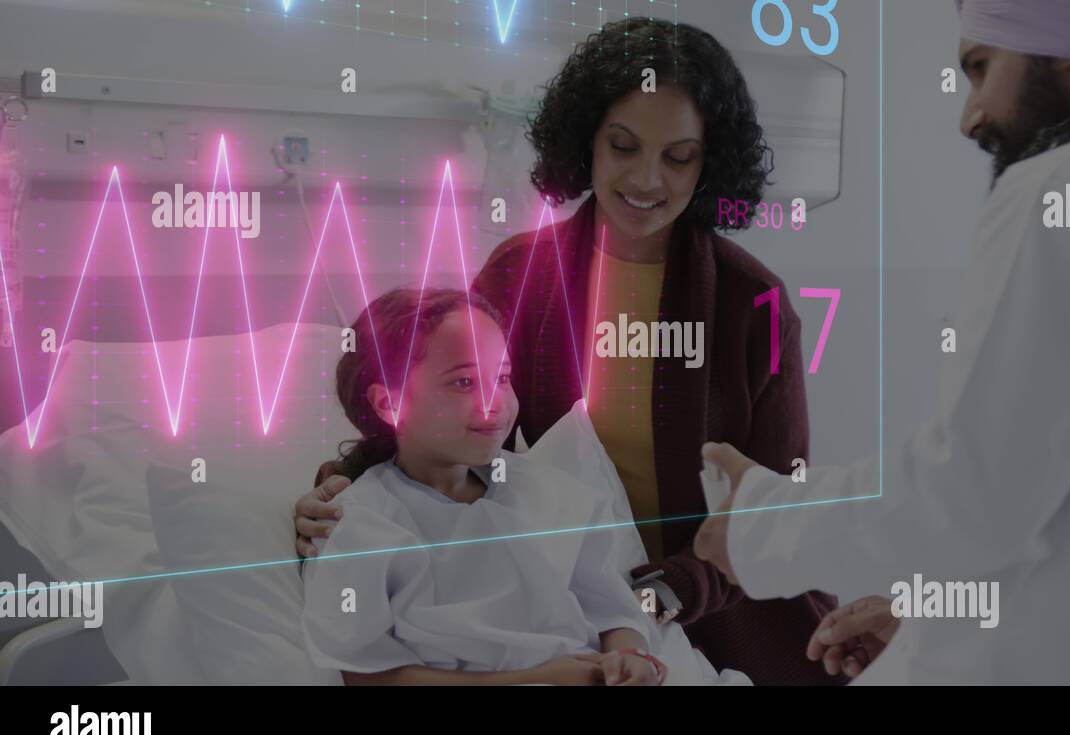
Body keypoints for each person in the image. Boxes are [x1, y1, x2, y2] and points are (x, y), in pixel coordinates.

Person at [697, 0, 1070, 684]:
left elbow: (974, 492)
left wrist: (757, 522)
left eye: (981, 69)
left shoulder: (1063, 189)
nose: (971, 115)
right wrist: (938, 615)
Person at [295, 18, 845, 685]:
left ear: (710, 161)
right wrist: (339, 487)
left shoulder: (752, 303)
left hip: (729, 617)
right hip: (577, 613)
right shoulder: (519, 277)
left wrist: (650, 598)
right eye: (623, 146)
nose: (647, 178)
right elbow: (442, 406)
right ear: (585, 142)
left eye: (679, 156)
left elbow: (773, 517)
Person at [301, 287, 663, 686]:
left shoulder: (554, 496)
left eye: (502, 377)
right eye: (463, 382)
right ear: (390, 404)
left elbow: (612, 612)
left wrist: (629, 657)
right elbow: (368, 675)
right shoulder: (362, 524)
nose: (494, 401)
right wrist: (535, 678)